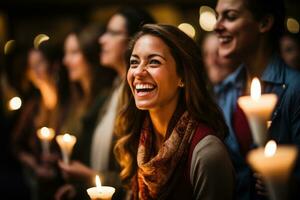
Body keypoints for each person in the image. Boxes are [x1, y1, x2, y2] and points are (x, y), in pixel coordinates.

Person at [114, 24, 235, 200]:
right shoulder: (138, 140)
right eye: (134, 62)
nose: (139, 72)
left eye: (154, 61)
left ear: (182, 77)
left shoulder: (207, 154)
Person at [56, 8, 155, 200]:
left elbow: (143, 175)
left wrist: (89, 177)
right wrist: (80, 187)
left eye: (112, 33)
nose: (102, 39)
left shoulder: (141, 98)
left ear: (135, 41)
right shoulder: (112, 92)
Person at [215, 0, 300, 199]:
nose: (216, 26)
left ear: (264, 23)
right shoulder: (225, 90)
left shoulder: (295, 90)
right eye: (217, 15)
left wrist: (292, 185)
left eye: (230, 16)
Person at [11, 43, 66, 200]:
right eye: (31, 66)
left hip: (63, 181)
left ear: (53, 65)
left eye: (39, 63)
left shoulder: (67, 103)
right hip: (38, 184)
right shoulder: (33, 106)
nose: (35, 71)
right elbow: (15, 145)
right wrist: (35, 166)